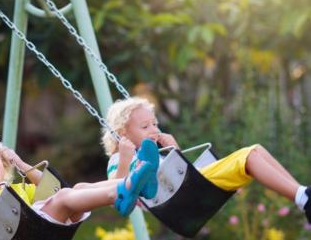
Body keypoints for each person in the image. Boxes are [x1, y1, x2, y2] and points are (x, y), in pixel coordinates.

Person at [101, 96, 311, 223]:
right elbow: (113, 192)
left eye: (154, 124)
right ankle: (304, 198)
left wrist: (174, 150)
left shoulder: (158, 154)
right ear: (122, 134)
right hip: (171, 200)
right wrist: (125, 159)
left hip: (189, 188)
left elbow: (183, 171)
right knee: (249, 156)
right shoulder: (120, 158)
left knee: (256, 149)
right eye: (145, 126)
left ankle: (303, 196)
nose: (154, 130)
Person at [0, 133, 159, 240]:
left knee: (78, 187)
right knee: (65, 196)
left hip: (48, 226)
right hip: (31, 239)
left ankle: (136, 183)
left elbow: (52, 188)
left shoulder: (16, 188)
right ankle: (123, 190)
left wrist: (21, 164)